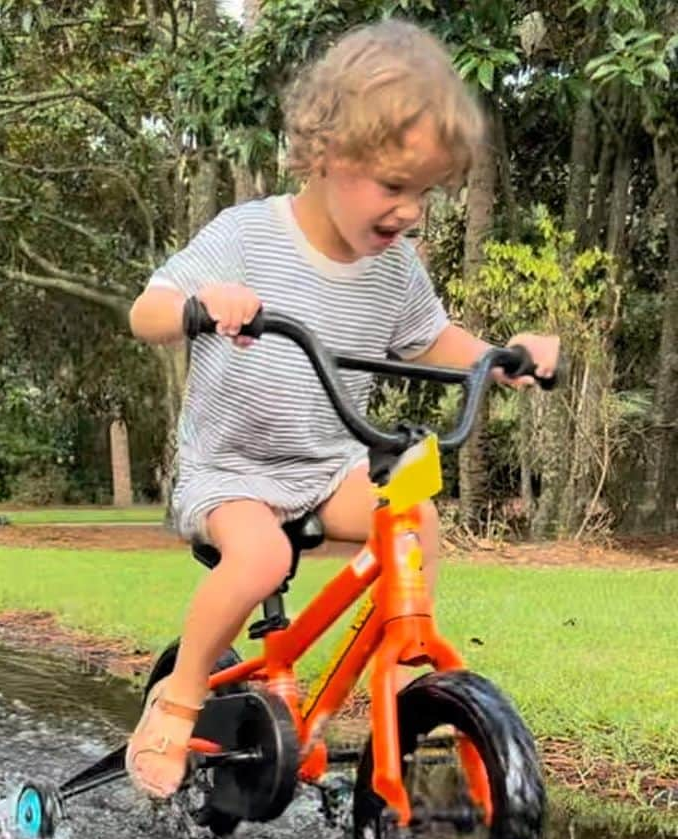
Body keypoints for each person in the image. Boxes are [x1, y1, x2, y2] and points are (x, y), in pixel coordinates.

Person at [125, 19, 560, 798]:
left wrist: (502, 357)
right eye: (395, 187)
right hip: (232, 472)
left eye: (423, 193)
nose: (411, 212)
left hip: (326, 467)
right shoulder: (248, 236)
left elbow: (434, 337)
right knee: (261, 558)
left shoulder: (393, 267)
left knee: (415, 517)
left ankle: (399, 691)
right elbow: (145, 312)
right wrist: (201, 303)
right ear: (325, 153)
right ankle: (180, 694)